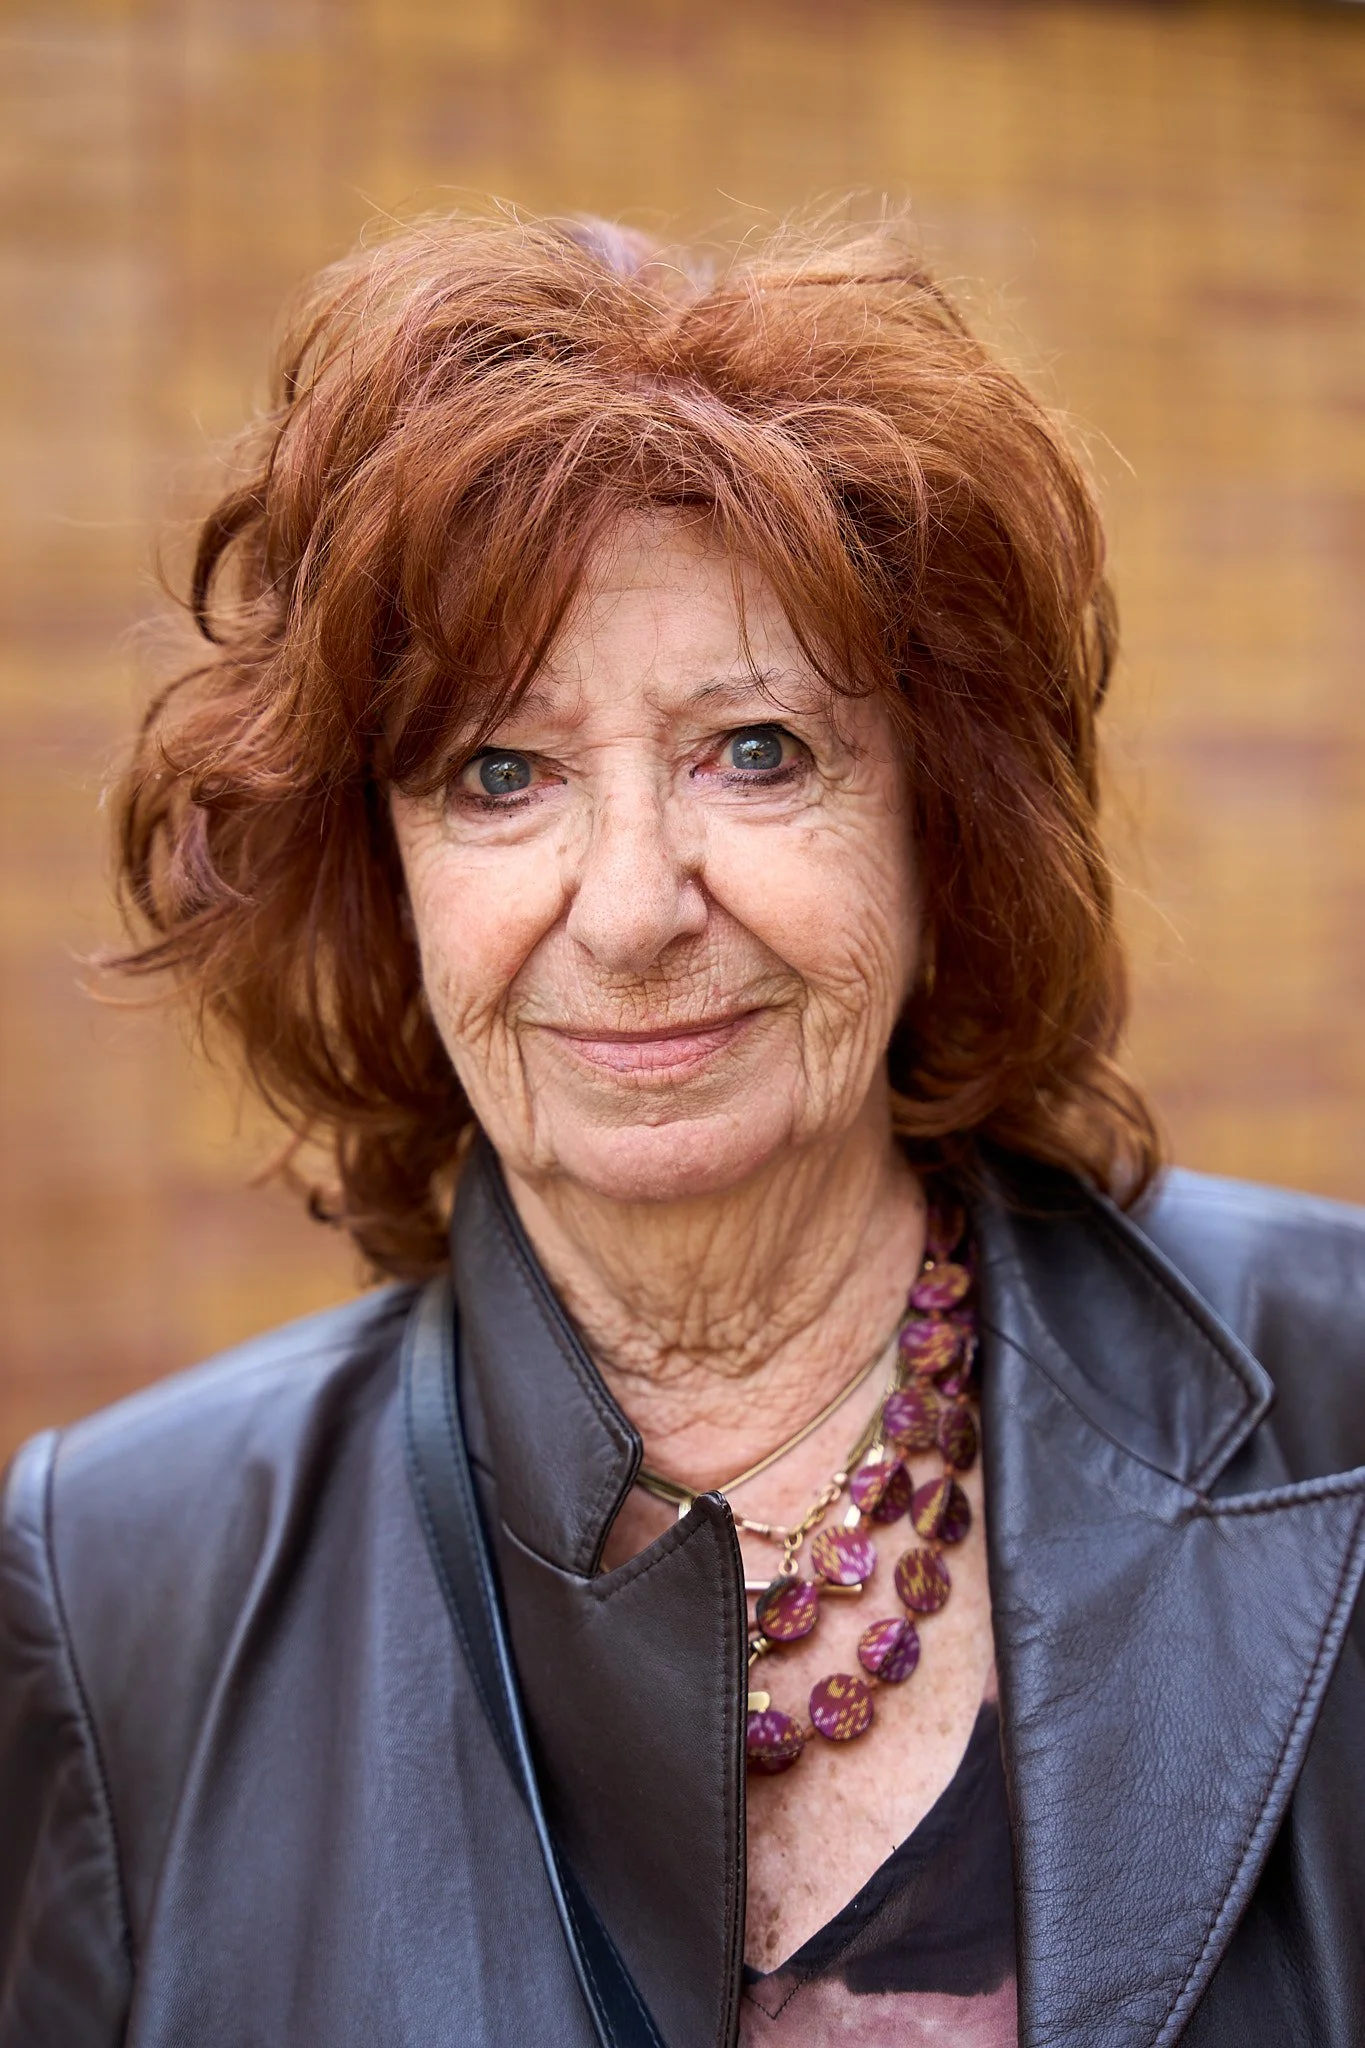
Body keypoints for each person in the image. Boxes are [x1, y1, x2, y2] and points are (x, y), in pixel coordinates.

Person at [2, 210, 1363, 2048]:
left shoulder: (1342, 1389)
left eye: (756, 749)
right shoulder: (111, 1587)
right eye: (502, 773)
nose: (634, 906)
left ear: (938, 825)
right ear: (378, 874)